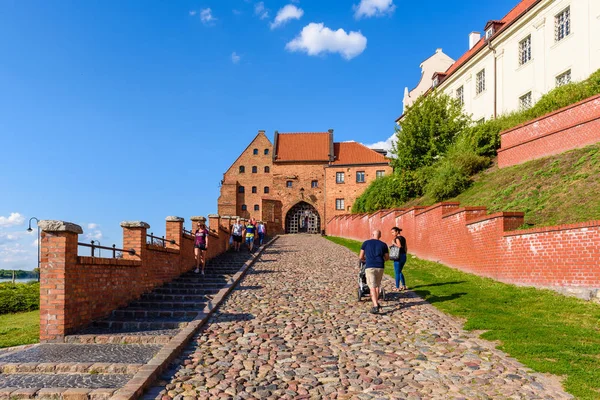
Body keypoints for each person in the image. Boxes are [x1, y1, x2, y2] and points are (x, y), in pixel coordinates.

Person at [359, 230, 389, 314]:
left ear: (372, 235)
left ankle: (375, 305)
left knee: (372, 286)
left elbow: (361, 256)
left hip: (370, 266)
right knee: (377, 285)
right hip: (380, 266)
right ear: (380, 236)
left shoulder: (366, 243)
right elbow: (387, 257)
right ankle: (376, 302)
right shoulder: (383, 244)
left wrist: (366, 259)